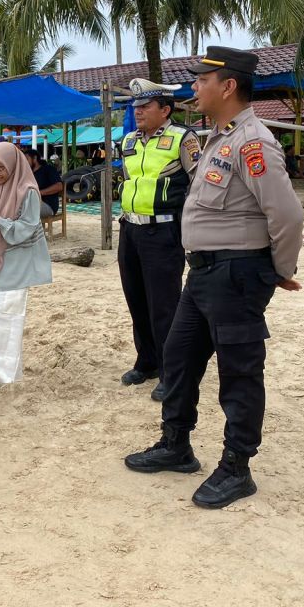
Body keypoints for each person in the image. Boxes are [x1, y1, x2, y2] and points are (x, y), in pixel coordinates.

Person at [124, 46, 304, 510]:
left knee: (239, 372)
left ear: (227, 86)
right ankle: (176, 445)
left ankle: (237, 467)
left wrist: (278, 271)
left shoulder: (253, 142)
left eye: (202, 80)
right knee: (179, 357)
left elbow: (286, 214)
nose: (194, 86)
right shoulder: (218, 137)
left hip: (237, 273)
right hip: (203, 273)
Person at [117, 78, 202, 401]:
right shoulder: (129, 141)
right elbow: (129, 180)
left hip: (164, 232)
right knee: (136, 300)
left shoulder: (183, 138)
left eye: (145, 106)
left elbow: (199, 185)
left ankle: (172, 372)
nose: (137, 111)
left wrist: (189, 229)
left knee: (164, 306)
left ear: (165, 110)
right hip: (130, 230)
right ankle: (147, 361)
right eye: (136, 106)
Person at [0, 142, 53, 392]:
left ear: (14, 166)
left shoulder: (27, 191)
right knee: (1, 316)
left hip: (18, 262)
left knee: (3, 317)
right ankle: (6, 373)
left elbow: (27, 228)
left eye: (0, 169)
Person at [23, 148, 64, 217]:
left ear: (35, 158)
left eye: (27, 159)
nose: (25, 162)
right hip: (32, 203)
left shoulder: (48, 169)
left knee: (23, 211)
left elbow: (59, 186)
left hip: (48, 206)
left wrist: (38, 193)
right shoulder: (28, 174)